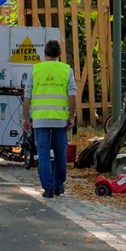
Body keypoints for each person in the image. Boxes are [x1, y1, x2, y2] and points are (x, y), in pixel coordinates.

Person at [21, 40, 77, 198]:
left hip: (40, 119)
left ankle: (48, 188)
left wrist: (26, 118)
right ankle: (59, 185)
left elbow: (27, 96)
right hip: (60, 118)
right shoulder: (67, 70)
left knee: (43, 153)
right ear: (60, 54)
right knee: (61, 153)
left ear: (44, 54)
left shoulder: (36, 69)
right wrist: (71, 117)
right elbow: (72, 96)